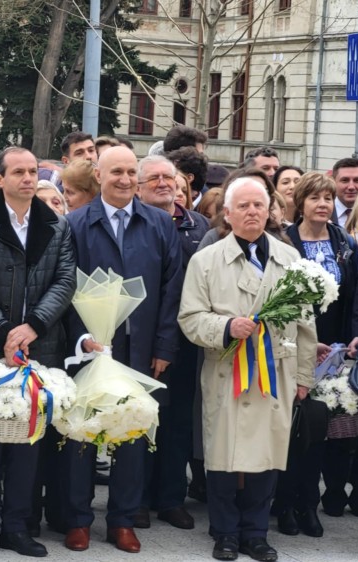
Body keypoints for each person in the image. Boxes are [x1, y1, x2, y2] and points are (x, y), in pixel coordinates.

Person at [178, 176, 318, 562]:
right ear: (227, 214)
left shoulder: (289, 259)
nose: (252, 212)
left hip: (276, 374)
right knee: (223, 455)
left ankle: (256, 533)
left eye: (259, 205)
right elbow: (189, 318)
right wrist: (225, 327)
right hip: (227, 372)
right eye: (243, 206)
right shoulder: (206, 261)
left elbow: (306, 325)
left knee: (267, 456)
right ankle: (224, 532)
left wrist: (304, 376)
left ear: (271, 211)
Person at [0, 146, 76, 558]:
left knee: (29, 445)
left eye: (32, 172)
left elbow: (65, 281)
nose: (28, 178)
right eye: (18, 172)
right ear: (0, 179)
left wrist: (33, 327)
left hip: (41, 346)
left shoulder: (57, 226)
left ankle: (17, 526)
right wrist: (7, 331)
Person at [63, 146, 183, 554]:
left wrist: (164, 345)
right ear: (98, 175)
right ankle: (78, 519)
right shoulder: (76, 223)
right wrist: (81, 338)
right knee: (81, 434)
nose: (125, 179)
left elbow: (172, 290)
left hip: (142, 346)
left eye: (132, 172)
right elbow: (64, 287)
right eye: (116, 171)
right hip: (90, 347)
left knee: (131, 433)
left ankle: (123, 520)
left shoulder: (159, 223)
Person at [284, 172, 358, 535]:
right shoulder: (283, 242)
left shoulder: (344, 243)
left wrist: (353, 338)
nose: (322, 205)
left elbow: (357, 295)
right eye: (315, 198)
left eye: (328, 199)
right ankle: (284, 503)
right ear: (300, 202)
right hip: (295, 345)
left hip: (333, 349)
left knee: (319, 429)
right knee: (290, 429)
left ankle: (308, 505)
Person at [136, 155, 209, 531]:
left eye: (170, 177)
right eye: (154, 179)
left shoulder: (201, 227)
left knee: (178, 421)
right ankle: (138, 498)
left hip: (186, 340)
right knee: (142, 420)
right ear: (138, 186)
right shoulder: (134, 223)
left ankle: (170, 498)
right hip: (141, 337)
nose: (164, 184)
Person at [331, 158, 358, 229]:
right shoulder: (323, 212)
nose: (351, 187)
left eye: (357, 180)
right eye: (345, 180)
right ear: (333, 182)